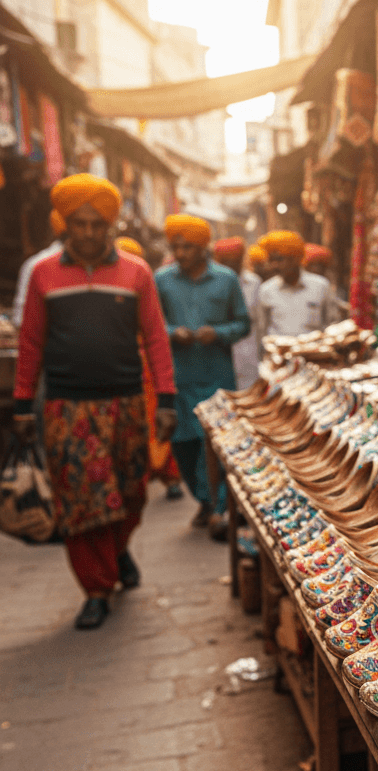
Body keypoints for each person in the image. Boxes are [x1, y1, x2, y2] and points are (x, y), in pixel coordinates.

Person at [12, 175, 177, 630]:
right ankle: (96, 588)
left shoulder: (136, 273)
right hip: (67, 407)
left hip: (126, 402)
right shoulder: (43, 274)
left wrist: (166, 399)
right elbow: (31, 343)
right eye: (79, 224)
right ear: (64, 224)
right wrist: (23, 404)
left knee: (131, 492)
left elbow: (156, 338)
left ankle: (118, 550)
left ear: (110, 226)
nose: (87, 233)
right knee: (83, 502)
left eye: (96, 225)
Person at [156, 215, 250, 541]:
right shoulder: (161, 281)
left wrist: (219, 333)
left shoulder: (226, 280)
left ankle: (217, 507)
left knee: (216, 444)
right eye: (176, 247)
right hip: (178, 378)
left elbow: (243, 323)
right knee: (183, 445)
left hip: (216, 377)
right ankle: (206, 500)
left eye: (188, 247)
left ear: (203, 247)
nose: (181, 253)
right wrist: (172, 332)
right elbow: (152, 325)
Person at [115, 236, 184, 502]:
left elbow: (155, 333)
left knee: (156, 423)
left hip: (145, 368)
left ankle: (169, 475)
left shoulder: (142, 284)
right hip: (124, 369)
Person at [255, 230, 334, 351]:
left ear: (296, 258)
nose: (274, 265)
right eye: (271, 260)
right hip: (278, 357)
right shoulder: (266, 290)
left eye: (279, 259)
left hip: (314, 356)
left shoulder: (321, 286)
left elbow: (332, 325)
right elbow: (262, 330)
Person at [212, 237, 261, 389]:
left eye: (235, 260)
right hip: (218, 357)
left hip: (249, 357)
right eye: (226, 261)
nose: (231, 265)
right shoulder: (211, 284)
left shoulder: (254, 283)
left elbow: (261, 323)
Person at [13, 209, 66, 327]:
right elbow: (23, 322)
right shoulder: (36, 265)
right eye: (80, 224)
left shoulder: (33, 264)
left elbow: (20, 321)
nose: (88, 233)